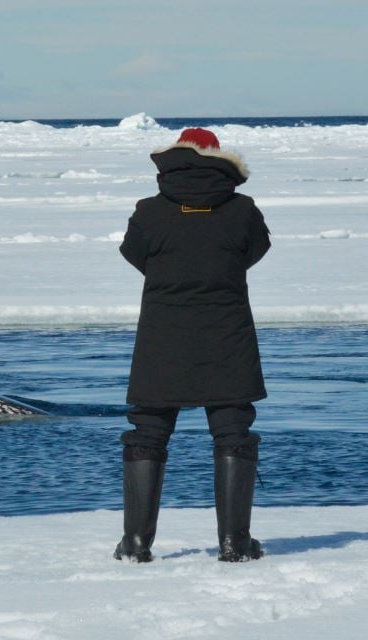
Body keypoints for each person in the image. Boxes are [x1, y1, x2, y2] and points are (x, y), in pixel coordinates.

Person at [116, 127, 271, 564]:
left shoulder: (149, 211)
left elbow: (134, 254)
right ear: (218, 158)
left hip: (162, 331)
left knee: (147, 429)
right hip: (227, 329)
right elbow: (255, 250)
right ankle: (234, 544)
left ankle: (135, 544)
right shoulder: (242, 209)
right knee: (233, 429)